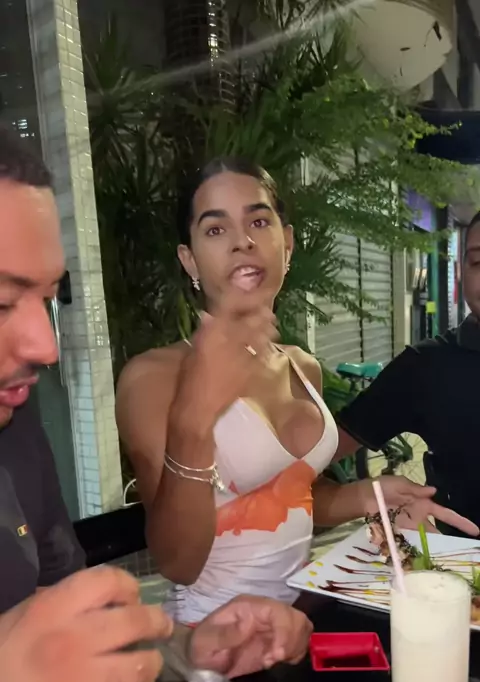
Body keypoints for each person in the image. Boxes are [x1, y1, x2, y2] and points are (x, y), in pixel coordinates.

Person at [0, 128, 313, 682]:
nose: (46, 347)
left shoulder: (17, 429)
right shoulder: (152, 375)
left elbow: (69, 609)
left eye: (48, 298)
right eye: (2, 300)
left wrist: (185, 645)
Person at [116, 156, 476, 631]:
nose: (243, 241)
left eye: (258, 222)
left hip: (302, 621)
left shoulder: (301, 366)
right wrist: (194, 414)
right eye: (216, 229)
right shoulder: (152, 378)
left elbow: (297, 499)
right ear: (190, 260)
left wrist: (371, 495)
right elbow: (178, 562)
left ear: (286, 244)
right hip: (214, 640)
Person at [336, 210, 480, 537]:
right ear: (462, 271)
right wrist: (365, 499)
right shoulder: (425, 366)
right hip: (458, 564)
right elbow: (307, 464)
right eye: (478, 262)